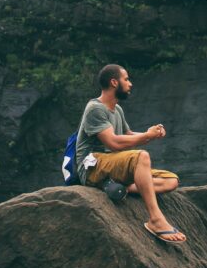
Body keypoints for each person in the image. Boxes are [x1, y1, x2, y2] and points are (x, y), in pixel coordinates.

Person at [75, 64, 187, 243]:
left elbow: (127, 135)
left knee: (171, 180)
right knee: (141, 156)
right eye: (126, 79)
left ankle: (119, 187)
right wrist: (146, 137)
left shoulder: (117, 109)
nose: (130, 84)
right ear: (114, 82)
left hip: (112, 164)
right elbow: (113, 142)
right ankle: (156, 220)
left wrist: (151, 134)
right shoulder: (95, 108)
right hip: (92, 165)